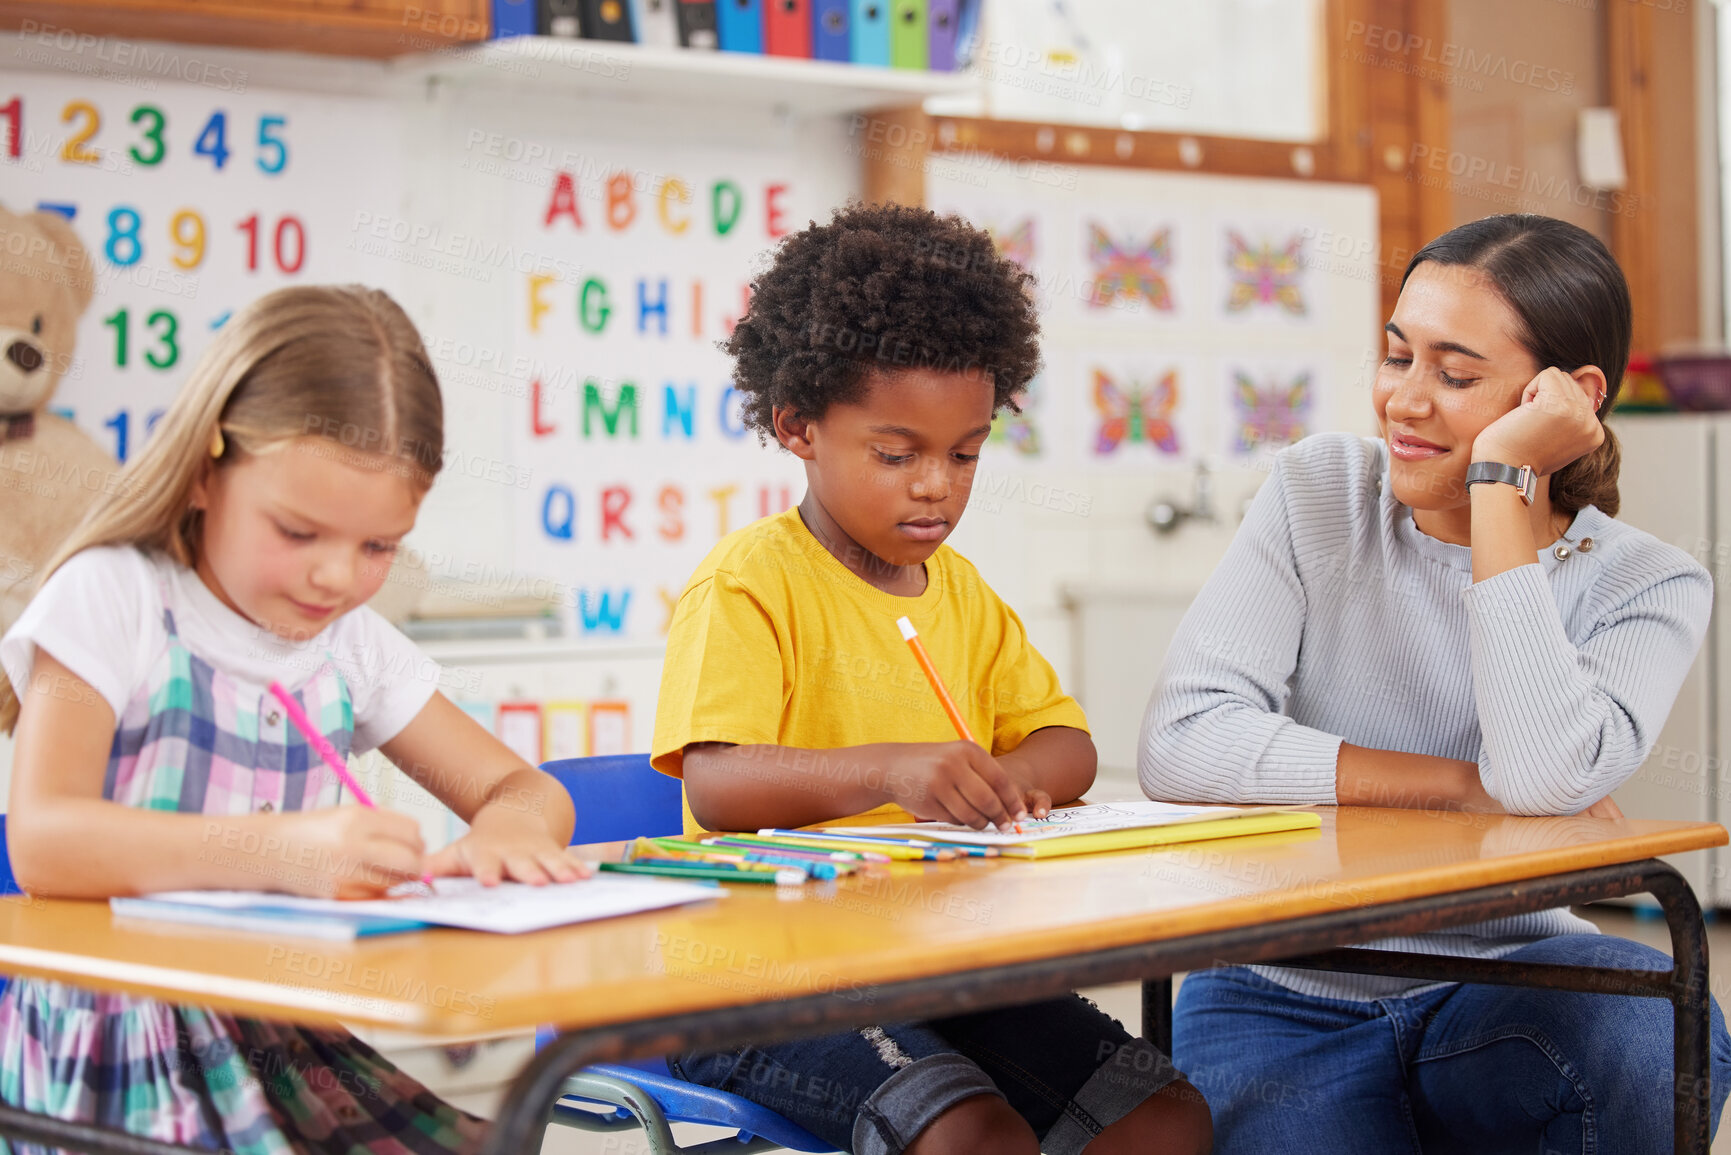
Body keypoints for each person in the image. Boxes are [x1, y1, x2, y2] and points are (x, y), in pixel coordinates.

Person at [1141, 213, 1731, 1153]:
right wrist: (1459, 782)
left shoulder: (1648, 581)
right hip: (1279, 989)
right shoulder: (1318, 490)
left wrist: (1500, 487)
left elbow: (1540, 776)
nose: (1405, 402)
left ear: (1566, 399)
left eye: (1455, 376)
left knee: (1651, 1023)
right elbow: (1182, 739)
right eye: (1396, 358)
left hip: (1510, 980)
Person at [652, 202, 1211, 1155]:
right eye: (895, 454)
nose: (935, 486)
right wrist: (894, 771)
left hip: (940, 957)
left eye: (965, 453)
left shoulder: (960, 590)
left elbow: (1066, 744)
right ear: (797, 427)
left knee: (1161, 1119)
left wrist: (1013, 779)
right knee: (968, 1137)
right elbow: (717, 781)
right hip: (763, 975)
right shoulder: (749, 579)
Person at [0, 284, 590, 1154]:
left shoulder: (350, 643)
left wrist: (506, 830)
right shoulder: (111, 595)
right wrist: (280, 852)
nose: (335, 579)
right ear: (206, 468)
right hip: (120, 1047)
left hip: (282, 1040)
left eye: (378, 546)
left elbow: (524, 787)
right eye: (298, 531)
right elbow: (43, 841)